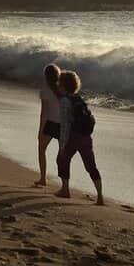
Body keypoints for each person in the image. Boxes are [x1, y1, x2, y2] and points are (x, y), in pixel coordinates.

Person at [54, 68, 103, 205]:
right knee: (91, 166)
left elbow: (64, 125)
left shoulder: (65, 101)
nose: (57, 85)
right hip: (86, 137)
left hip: (73, 137)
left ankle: (65, 190)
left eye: (59, 83)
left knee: (62, 159)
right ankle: (99, 196)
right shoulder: (79, 99)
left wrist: (62, 145)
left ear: (63, 85)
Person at [34, 64, 63, 187]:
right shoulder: (63, 89)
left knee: (41, 149)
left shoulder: (45, 90)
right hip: (62, 125)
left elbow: (44, 113)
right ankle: (64, 184)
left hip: (50, 123)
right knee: (62, 155)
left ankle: (43, 178)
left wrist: (40, 130)